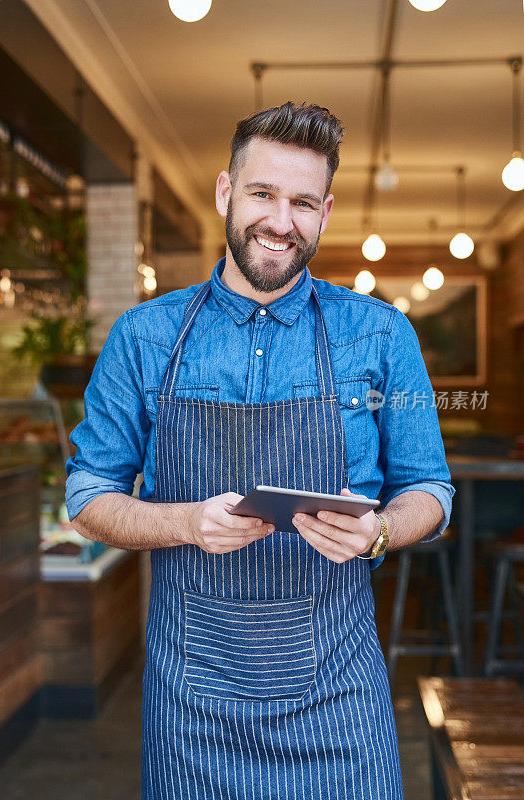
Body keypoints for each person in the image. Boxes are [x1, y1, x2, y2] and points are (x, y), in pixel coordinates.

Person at [66, 101, 454, 800]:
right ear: (226, 193)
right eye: (262, 194)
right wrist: (185, 523)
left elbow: (431, 488)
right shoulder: (144, 337)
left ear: (326, 211)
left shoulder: (381, 336)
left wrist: (382, 531)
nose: (281, 222)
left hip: (339, 695)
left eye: (303, 202)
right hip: (193, 702)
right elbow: (88, 498)